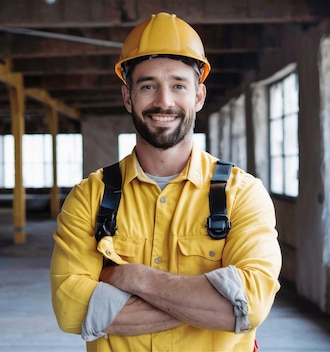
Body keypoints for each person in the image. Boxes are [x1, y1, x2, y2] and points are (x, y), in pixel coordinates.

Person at [50, 12, 282, 352]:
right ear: (128, 97)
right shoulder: (90, 197)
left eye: (178, 85)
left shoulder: (242, 194)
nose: (164, 101)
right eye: (148, 86)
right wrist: (206, 304)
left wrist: (131, 277)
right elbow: (71, 311)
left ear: (198, 96)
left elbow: (251, 305)